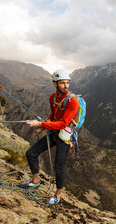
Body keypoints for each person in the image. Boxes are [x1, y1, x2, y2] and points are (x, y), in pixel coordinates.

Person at [19, 69, 79, 205]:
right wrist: (42, 128)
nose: (66, 86)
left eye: (67, 83)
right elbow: (53, 116)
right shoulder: (53, 97)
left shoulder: (72, 101)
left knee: (59, 165)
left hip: (64, 136)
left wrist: (40, 123)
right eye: (62, 83)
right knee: (31, 153)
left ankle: (58, 195)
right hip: (53, 132)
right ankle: (35, 181)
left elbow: (63, 123)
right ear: (55, 84)